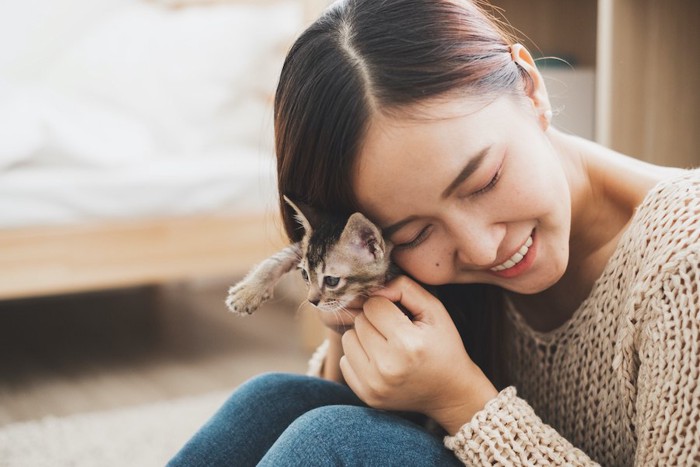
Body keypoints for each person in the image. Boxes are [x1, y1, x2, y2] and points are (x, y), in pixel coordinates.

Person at [169, 0, 700, 465]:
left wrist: (461, 400)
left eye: (485, 181)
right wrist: (348, 330)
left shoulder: (684, 262)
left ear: (531, 88)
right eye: (416, 234)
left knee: (335, 441)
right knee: (275, 401)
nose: (482, 248)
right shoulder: (423, 274)